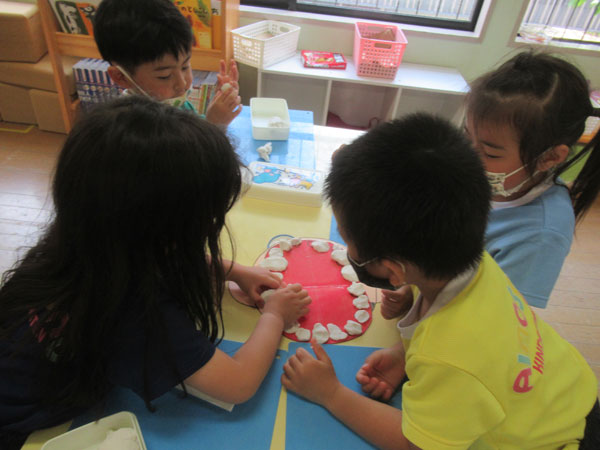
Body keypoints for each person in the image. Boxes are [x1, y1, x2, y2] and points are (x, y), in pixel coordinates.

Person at [0, 97, 310, 448]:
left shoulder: (83, 241)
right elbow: (238, 384)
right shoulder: (133, 314)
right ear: (161, 229)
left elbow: (156, 256)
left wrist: (232, 270)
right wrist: (275, 315)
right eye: (205, 217)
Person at [281, 113, 599, 450]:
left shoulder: (448, 356)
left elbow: (415, 444)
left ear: (394, 271)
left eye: (347, 239)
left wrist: (330, 393)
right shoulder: (476, 261)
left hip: (553, 441)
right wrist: (404, 354)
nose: (347, 248)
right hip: (568, 392)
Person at [93, 0, 242, 126]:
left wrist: (215, 110)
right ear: (121, 77)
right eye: (165, 76)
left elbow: (191, 124)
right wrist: (214, 124)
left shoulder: (174, 102)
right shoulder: (133, 128)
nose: (183, 84)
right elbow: (191, 149)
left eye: (185, 66)